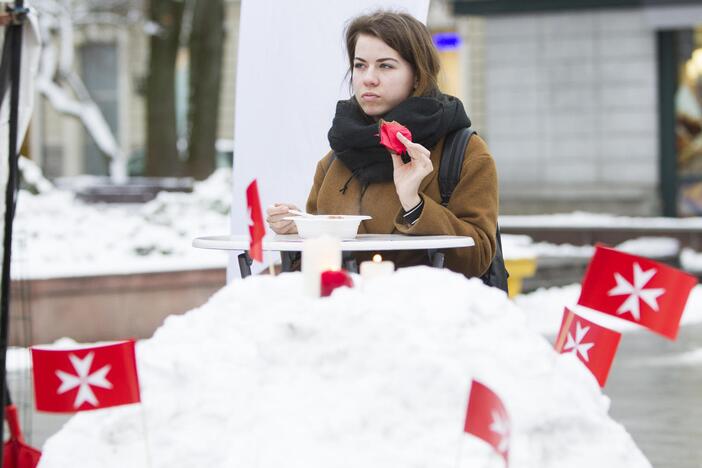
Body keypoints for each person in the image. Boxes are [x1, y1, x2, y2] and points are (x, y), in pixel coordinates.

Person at [266, 10, 497, 278]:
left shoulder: (464, 152)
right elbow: (316, 268)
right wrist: (300, 230)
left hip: (418, 316)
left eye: (385, 65)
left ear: (418, 76)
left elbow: (477, 258)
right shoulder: (338, 154)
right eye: (360, 65)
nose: (368, 78)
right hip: (342, 314)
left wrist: (415, 205)